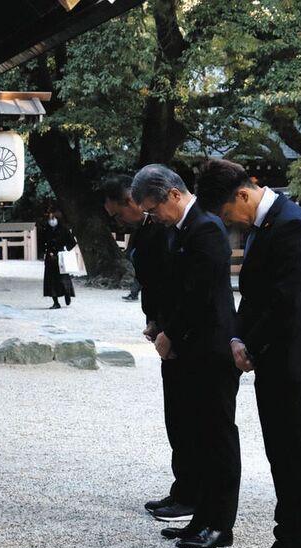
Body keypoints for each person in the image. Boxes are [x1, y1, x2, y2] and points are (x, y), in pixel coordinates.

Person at [197, 159, 301, 548]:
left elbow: (286, 304)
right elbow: (252, 296)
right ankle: (284, 546)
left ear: (242, 193)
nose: (225, 221)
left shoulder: (290, 224)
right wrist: (238, 338)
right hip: (271, 357)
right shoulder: (265, 223)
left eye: (224, 211)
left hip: (294, 359)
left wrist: (248, 343)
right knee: (281, 459)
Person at [131, 165, 241, 548]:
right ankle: (201, 517)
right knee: (196, 434)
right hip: (189, 344)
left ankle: (219, 523)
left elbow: (200, 293)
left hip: (210, 346)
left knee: (217, 436)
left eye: (152, 209)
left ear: (173, 195)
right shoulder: (179, 229)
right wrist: (160, 324)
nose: (152, 217)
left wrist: (170, 333)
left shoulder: (205, 228)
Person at [102, 174, 197, 522]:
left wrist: (168, 327)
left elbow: (176, 284)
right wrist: (153, 320)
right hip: (163, 326)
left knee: (188, 417)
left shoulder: (166, 229)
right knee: (175, 414)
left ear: (132, 202)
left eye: (117, 214)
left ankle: (192, 492)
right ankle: (183, 486)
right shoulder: (147, 230)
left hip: (180, 331)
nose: (117, 221)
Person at [41, 210, 77, 309]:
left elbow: (72, 242)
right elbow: (42, 242)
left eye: (53, 219)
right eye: (49, 219)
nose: (51, 221)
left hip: (61, 256)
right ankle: (55, 302)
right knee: (50, 280)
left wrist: (65, 249)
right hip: (50, 257)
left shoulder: (64, 229)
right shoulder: (46, 229)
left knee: (63, 278)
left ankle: (67, 293)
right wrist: (46, 252)